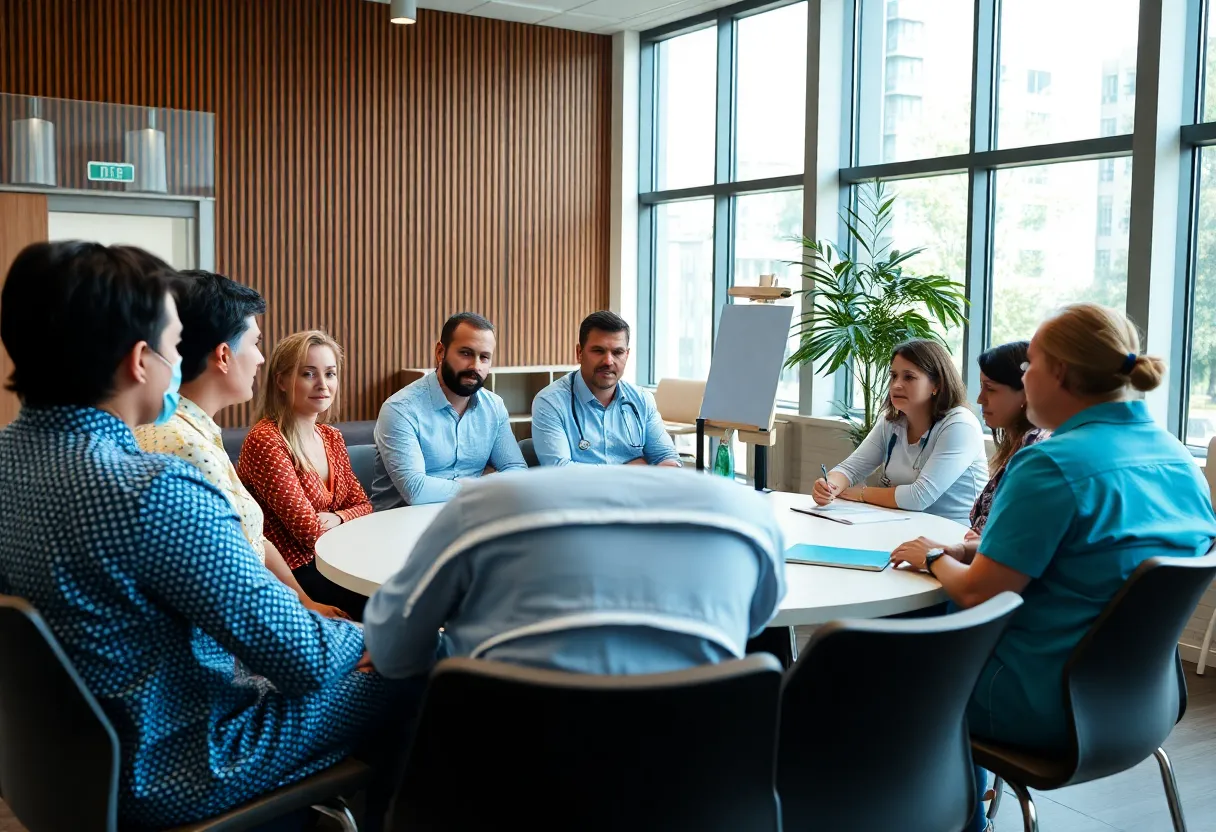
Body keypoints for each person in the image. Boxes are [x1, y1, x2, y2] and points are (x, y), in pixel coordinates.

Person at [0, 242, 404, 831]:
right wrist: (379, 636)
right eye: (173, 346)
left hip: (63, 761)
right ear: (142, 360)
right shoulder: (153, 488)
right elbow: (301, 656)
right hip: (179, 758)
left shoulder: (11, 458)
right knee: (424, 665)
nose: (180, 360)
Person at [887, 305, 1216, 832]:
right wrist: (977, 551)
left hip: (1042, 707)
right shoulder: (1179, 460)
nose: (1024, 376)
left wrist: (931, 556)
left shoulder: (1050, 464)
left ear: (1059, 373)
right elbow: (1095, 558)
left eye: (1027, 366)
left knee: (893, 671)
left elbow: (979, 595)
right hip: (1146, 706)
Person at [363, 465, 786, 677]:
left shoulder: (480, 510)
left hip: (501, 785)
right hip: (694, 787)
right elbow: (754, 624)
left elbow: (394, 652)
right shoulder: (748, 517)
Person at [135, 271, 347, 620]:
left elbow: (252, 542)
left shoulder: (195, 433)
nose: (261, 359)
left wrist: (306, 604)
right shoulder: (183, 447)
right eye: (255, 343)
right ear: (223, 355)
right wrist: (334, 639)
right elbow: (235, 595)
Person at [238, 330, 374, 621]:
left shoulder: (332, 437)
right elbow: (308, 531)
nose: (323, 385)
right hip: (293, 572)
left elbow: (365, 505)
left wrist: (339, 517)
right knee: (390, 604)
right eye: (309, 374)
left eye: (330, 374)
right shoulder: (266, 440)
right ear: (282, 381)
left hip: (337, 558)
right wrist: (347, 516)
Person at [890, 340, 1048, 566]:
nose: (980, 398)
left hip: (981, 576)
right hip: (968, 554)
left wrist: (935, 558)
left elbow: (1006, 556)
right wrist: (956, 550)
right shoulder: (1021, 443)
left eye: (990, 388)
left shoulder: (1034, 452)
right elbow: (1000, 543)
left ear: (1026, 391)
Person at [814, 339, 988, 525]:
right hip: (902, 525)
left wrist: (862, 493)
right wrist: (830, 486)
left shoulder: (960, 425)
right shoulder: (891, 421)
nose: (896, 385)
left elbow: (919, 497)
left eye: (909, 377)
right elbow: (850, 469)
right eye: (894, 376)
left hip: (956, 536)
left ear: (936, 385)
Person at [366, 312, 526, 509]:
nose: (475, 366)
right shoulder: (400, 409)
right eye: (466, 353)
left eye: (484, 357)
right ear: (440, 352)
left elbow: (517, 470)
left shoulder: (494, 407)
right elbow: (416, 490)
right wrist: (485, 484)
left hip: (467, 518)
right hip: (402, 525)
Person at [531, 310, 680, 467]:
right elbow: (559, 470)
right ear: (579, 353)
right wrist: (630, 470)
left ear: (627, 355)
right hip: (581, 493)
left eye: (617, 352)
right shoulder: (550, 402)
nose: (608, 361)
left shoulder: (642, 400)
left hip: (636, 492)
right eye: (598, 351)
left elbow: (667, 458)